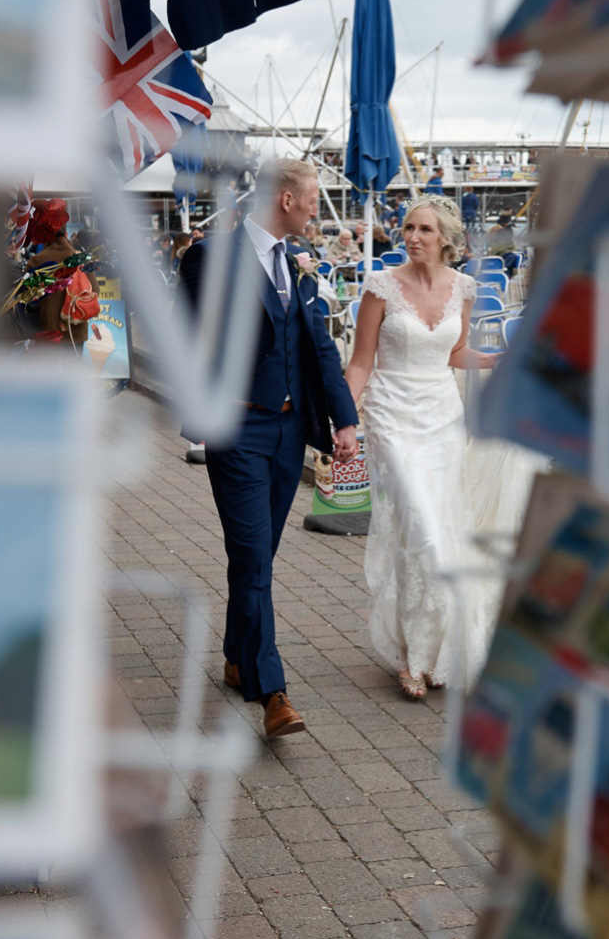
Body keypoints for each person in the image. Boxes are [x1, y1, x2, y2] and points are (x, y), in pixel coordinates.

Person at [180, 158, 359, 739]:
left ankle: (236, 657)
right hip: (238, 432)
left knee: (255, 561)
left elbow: (322, 351)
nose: (318, 209)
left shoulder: (297, 265)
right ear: (285, 199)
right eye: (312, 198)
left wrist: (345, 422)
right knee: (255, 560)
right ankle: (272, 692)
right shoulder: (212, 256)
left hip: (288, 434)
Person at [344, 195, 507, 699]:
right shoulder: (380, 287)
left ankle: (433, 649)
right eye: (408, 227)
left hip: (443, 418)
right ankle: (410, 657)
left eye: (424, 230)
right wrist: (346, 419)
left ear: (446, 241)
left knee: (440, 531)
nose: (412, 236)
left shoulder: (464, 288)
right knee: (423, 531)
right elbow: (360, 362)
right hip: (392, 417)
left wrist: (499, 361)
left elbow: (454, 352)